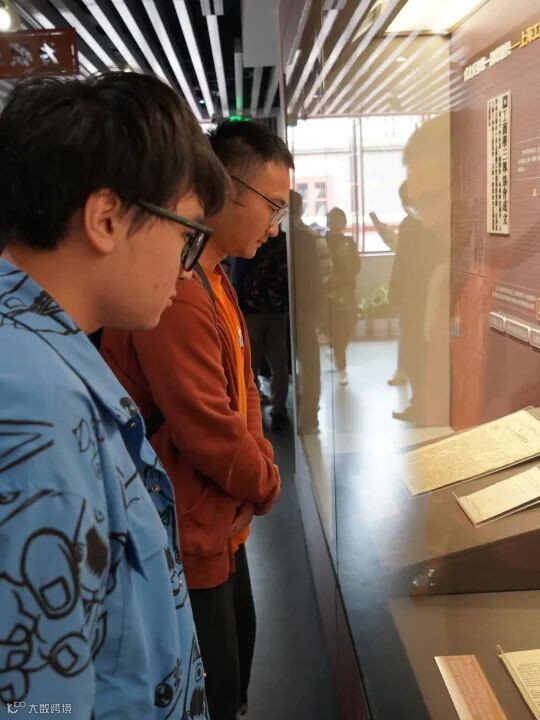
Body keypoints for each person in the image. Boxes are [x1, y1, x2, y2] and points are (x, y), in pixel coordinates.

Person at [0, 73, 226, 718]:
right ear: (105, 219)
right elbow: (37, 701)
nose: (186, 268)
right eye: (185, 234)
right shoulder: (33, 403)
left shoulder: (42, 364)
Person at [101, 120, 292, 720]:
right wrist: (265, 484)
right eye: (273, 206)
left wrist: (260, 473)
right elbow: (205, 426)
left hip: (219, 525)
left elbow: (243, 396)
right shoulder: (179, 292)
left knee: (233, 675)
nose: (275, 226)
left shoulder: (217, 279)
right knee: (211, 690)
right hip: (186, 534)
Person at [232, 227, 290, 431]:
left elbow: (239, 274)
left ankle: (253, 415)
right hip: (279, 311)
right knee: (279, 364)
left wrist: (238, 307)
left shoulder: (253, 237)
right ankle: (279, 411)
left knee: (250, 365)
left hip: (253, 311)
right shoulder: (285, 241)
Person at [290, 190, 324, 433]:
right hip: (304, 309)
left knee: (285, 364)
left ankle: (291, 412)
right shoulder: (307, 237)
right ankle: (310, 417)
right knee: (310, 364)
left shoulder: (277, 236)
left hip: (282, 309)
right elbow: (317, 278)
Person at [326, 207, 361, 386]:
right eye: (333, 219)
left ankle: (336, 351)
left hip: (347, 290)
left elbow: (357, 266)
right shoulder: (323, 241)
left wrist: (346, 258)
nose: (336, 223)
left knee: (350, 322)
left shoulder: (348, 242)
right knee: (338, 330)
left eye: (340, 220)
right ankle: (342, 368)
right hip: (330, 292)